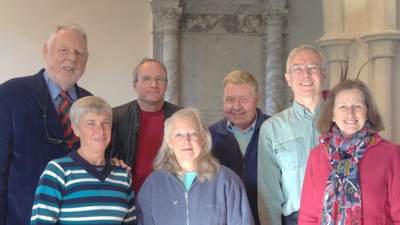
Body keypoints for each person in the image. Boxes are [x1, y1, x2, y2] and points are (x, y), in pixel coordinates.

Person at [0, 23, 92, 225]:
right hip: (23, 218)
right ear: (46, 51)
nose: (72, 58)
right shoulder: (9, 95)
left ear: (86, 60)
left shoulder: (91, 104)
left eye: (79, 53)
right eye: (64, 50)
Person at [299, 79, 400, 224]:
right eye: (342, 107)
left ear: (367, 112)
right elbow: (308, 217)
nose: (350, 113)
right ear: (332, 114)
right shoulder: (317, 155)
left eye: (357, 106)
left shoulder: (390, 154)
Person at [136, 108, 255, 225]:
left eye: (193, 133)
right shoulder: (154, 184)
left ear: (204, 139)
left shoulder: (227, 181)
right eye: (178, 135)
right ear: (169, 142)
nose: (186, 140)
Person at [30, 96, 136, 225]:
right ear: (76, 129)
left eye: (105, 123)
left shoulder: (123, 175)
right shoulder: (58, 171)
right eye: (91, 123)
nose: (101, 131)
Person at [258, 44, 328, 225]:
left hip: (340, 215)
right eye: (297, 69)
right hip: (295, 219)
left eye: (313, 68)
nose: (305, 74)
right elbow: (268, 191)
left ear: (324, 76)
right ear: (288, 79)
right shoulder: (272, 129)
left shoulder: (343, 121)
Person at [107, 58, 181, 194]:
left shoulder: (181, 117)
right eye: (146, 79)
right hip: (126, 196)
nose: (154, 84)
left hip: (171, 196)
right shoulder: (114, 117)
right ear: (134, 85)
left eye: (159, 79)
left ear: (166, 84)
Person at [209, 70, 270, 225]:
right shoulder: (209, 136)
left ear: (257, 100)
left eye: (244, 99)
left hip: (268, 217)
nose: (236, 107)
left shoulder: (274, 130)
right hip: (227, 218)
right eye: (230, 99)